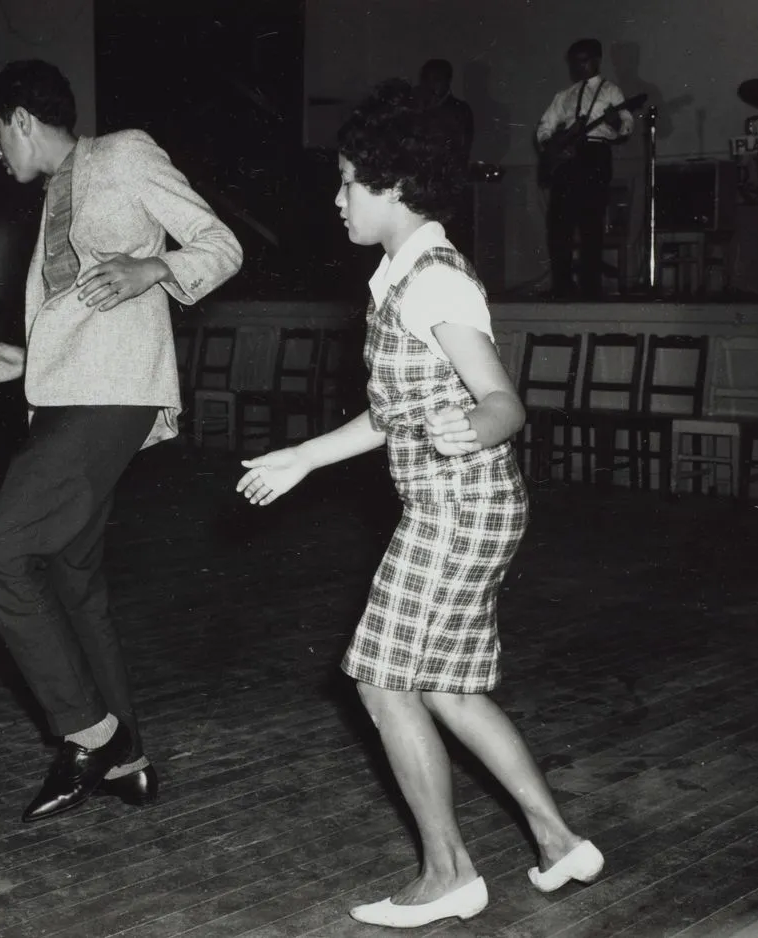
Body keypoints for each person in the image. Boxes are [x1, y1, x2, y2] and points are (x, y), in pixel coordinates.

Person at [236, 78, 602, 928]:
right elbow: (387, 413)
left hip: (458, 507)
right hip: (466, 507)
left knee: (378, 679)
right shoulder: (398, 276)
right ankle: (557, 842)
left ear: (394, 187)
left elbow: (504, 404)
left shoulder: (434, 281)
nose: (336, 199)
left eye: (348, 182)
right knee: (448, 687)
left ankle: (449, 875)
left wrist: (464, 430)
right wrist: (301, 457)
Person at [0, 59, 242, 823]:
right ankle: (132, 765)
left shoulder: (122, 155)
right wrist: (28, 360)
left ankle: (90, 736)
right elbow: (80, 308)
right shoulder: (56, 191)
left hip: (111, 398)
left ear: (22, 120)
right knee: (75, 579)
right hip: (69, 391)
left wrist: (156, 265)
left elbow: (221, 245)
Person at [536, 38, 634, 300]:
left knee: (591, 222)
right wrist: (554, 145)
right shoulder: (563, 95)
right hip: (567, 160)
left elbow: (626, 125)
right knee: (560, 224)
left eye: (583, 60)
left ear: (596, 60)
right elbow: (544, 127)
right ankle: (563, 285)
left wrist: (614, 124)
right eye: (574, 62)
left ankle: (591, 287)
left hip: (595, 155)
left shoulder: (612, 91)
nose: (578, 67)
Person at [418, 58, 474, 167]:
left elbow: (463, 148)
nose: (430, 84)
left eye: (436, 79)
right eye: (426, 79)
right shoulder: (414, 107)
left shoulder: (461, 110)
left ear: (448, 81)